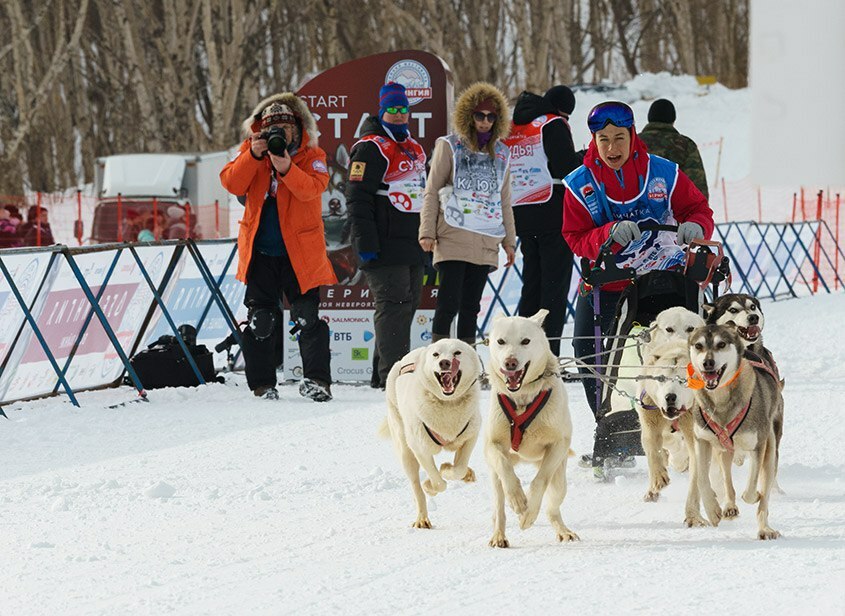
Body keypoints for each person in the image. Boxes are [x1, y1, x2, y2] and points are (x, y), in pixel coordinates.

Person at [562, 100, 714, 474]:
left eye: (619, 138)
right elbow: (574, 235)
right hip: (608, 282)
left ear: (632, 137)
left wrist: (696, 227)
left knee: (685, 348)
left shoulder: (664, 173)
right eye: (603, 139)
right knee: (587, 349)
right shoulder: (580, 184)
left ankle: (698, 427)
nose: (612, 148)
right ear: (593, 141)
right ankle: (612, 426)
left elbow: (699, 209)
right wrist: (606, 233)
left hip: (664, 281)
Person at [220, 93, 337, 401]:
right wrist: (254, 155)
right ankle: (262, 384)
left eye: (285, 128)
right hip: (261, 252)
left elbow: (314, 189)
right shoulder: (252, 151)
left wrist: (286, 167)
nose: (278, 135)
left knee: (306, 318)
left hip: (301, 253)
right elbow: (231, 183)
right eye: (272, 129)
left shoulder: (312, 155)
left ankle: (317, 381)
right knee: (260, 320)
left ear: (297, 128)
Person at [346, 82, 429, 389]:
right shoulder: (369, 147)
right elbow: (357, 198)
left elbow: (425, 194)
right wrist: (366, 243)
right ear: (381, 112)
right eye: (392, 109)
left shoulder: (414, 147)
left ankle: (383, 372)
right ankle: (393, 379)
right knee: (393, 305)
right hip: (383, 243)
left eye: (402, 109)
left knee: (407, 307)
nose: (397, 114)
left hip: (412, 242)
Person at [419, 82, 516, 345]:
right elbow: (432, 189)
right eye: (479, 115)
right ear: (468, 115)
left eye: (491, 116)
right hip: (453, 234)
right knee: (448, 304)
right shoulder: (449, 146)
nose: (485, 122)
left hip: (486, 236)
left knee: (472, 307)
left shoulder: (502, 154)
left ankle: (467, 361)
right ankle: (438, 358)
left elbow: (504, 200)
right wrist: (426, 231)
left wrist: (509, 240)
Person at [504, 85, 583, 356]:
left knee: (532, 284)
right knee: (554, 288)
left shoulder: (516, 125)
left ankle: (521, 350)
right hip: (552, 212)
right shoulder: (553, 124)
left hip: (522, 210)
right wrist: (581, 158)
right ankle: (549, 354)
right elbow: (565, 168)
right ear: (562, 110)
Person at [639, 98, 709, 199]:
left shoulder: (632, 143)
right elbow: (697, 188)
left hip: (634, 212)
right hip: (674, 211)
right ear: (673, 120)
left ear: (649, 118)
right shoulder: (685, 145)